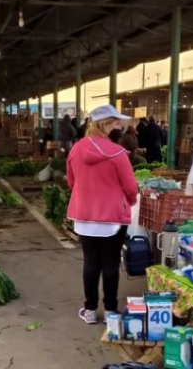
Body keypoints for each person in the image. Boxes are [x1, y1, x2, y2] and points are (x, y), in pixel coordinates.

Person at [66, 105, 138, 325]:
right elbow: (130, 187)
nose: (119, 127)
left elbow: (71, 181)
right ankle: (110, 312)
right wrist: (131, 202)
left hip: (84, 216)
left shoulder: (76, 149)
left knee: (90, 263)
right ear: (105, 124)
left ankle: (89, 310)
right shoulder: (117, 153)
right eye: (116, 123)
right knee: (110, 263)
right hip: (112, 219)